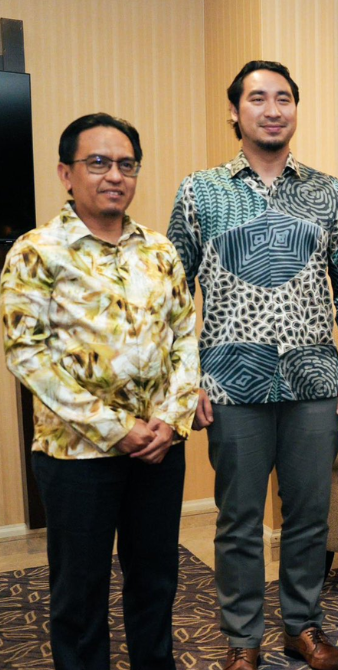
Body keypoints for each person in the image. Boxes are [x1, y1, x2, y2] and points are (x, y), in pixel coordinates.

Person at [167, 61, 338, 670]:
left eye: (284, 98)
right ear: (235, 112)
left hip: (314, 381)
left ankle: (302, 627)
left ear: (295, 110)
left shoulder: (328, 192)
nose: (272, 109)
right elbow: (170, 294)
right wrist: (184, 381)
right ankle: (243, 640)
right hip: (231, 384)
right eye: (258, 98)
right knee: (239, 520)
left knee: (309, 517)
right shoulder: (201, 191)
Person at [0, 113, 199, 669]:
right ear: (66, 174)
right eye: (98, 163)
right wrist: (117, 428)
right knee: (80, 593)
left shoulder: (159, 251)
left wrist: (170, 419)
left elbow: (185, 338)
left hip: (159, 448)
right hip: (76, 456)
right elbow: (26, 353)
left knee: (155, 582)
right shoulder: (36, 251)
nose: (115, 175)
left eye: (126, 165)